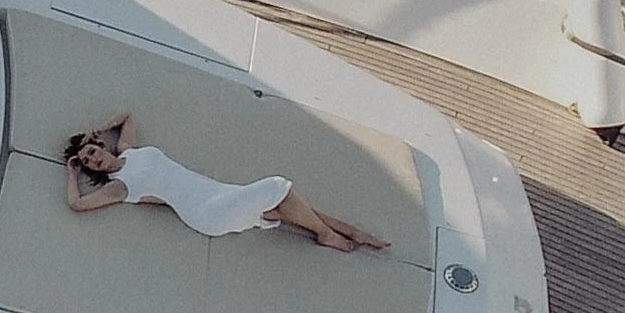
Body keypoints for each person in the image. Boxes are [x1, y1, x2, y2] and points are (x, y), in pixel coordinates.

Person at [60, 115, 395, 253]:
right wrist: (72, 174)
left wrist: (94, 130)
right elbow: (77, 205)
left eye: (92, 152)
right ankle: (331, 233)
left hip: (219, 193)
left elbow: (127, 114)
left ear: (100, 145)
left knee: (285, 203)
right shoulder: (118, 187)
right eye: (89, 162)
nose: (94, 159)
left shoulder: (129, 151)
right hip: (206, 212)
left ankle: (344, 231)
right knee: (277, 185)